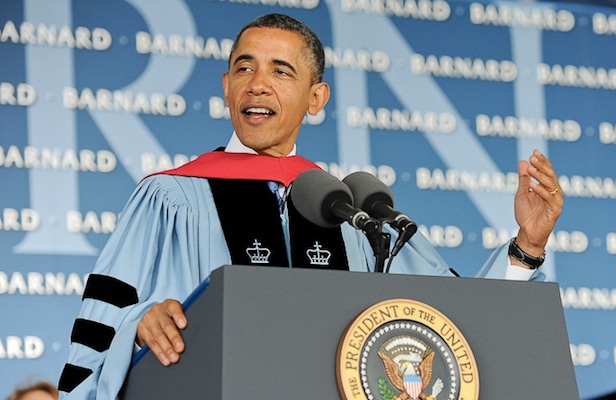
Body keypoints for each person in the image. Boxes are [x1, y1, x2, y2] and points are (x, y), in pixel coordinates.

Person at [58, 13, 563, 399]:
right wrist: (141, 324)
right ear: (227, 88)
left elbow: (449, 323)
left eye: (280, 71)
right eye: (243, 68)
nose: (257, 83)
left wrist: (527, 246)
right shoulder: (169, 198)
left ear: (315, 98)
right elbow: (99, 334)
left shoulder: (354, 214)